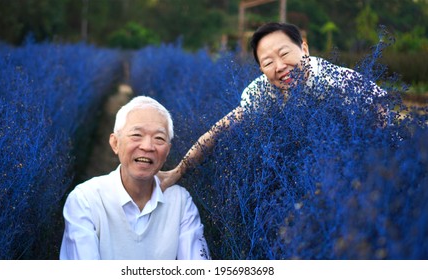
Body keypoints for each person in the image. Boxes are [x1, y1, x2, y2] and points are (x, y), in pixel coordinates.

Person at [158, 22, 387, 189]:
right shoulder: (262, 91)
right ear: (261, 69)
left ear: (304, 49)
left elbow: (380, 106)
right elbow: (219, 130)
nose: (279, 66)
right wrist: (178, 171)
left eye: (285, 53)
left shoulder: (332, 80)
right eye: (268, 62)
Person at [60, 96, 210, 260]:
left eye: (159, 138)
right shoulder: (85, 200)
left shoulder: (180, 202)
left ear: (167, 151)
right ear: (115, 143)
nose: (147, 146)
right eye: (136, 135)